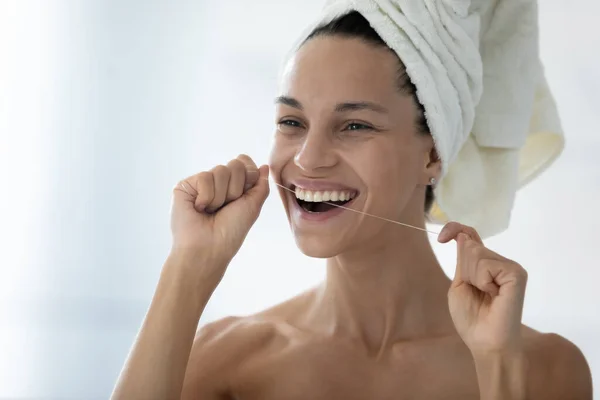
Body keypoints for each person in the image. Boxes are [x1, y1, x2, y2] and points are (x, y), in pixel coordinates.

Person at [111, 8, 593, 400]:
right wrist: (188, 268)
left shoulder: (544, 370)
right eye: (291, 122)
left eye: (355, 125)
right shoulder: (228, 360)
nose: (308, 158)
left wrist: (497, 369)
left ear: (432, 152)